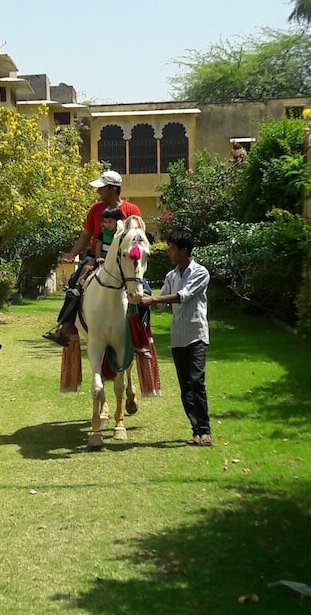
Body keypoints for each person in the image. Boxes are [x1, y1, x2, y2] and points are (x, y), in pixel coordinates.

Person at [43, 170, 141, 346]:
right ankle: (65, 329)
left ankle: (142, 333)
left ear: (112, 189)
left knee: (143, 289)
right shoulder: (95, 209)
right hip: (96, 257)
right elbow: (87, 235)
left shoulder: (132, 210)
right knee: (74, 282)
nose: (98, 192)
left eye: (101, 188)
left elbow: (137, 238)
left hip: (123, 260)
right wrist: (72, 254)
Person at [139, 227, 212, 446]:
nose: (169, 253)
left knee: (197, 381)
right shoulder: (171, 275)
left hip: (197, 334)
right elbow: (162, 304)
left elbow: (183, 296)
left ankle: (205, 430)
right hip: (178, 337)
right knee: (185, 386)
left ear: (184, 250)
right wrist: (141, 296)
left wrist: (153, 301)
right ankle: (195, 430)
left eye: (172, 249)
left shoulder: (200, 272)